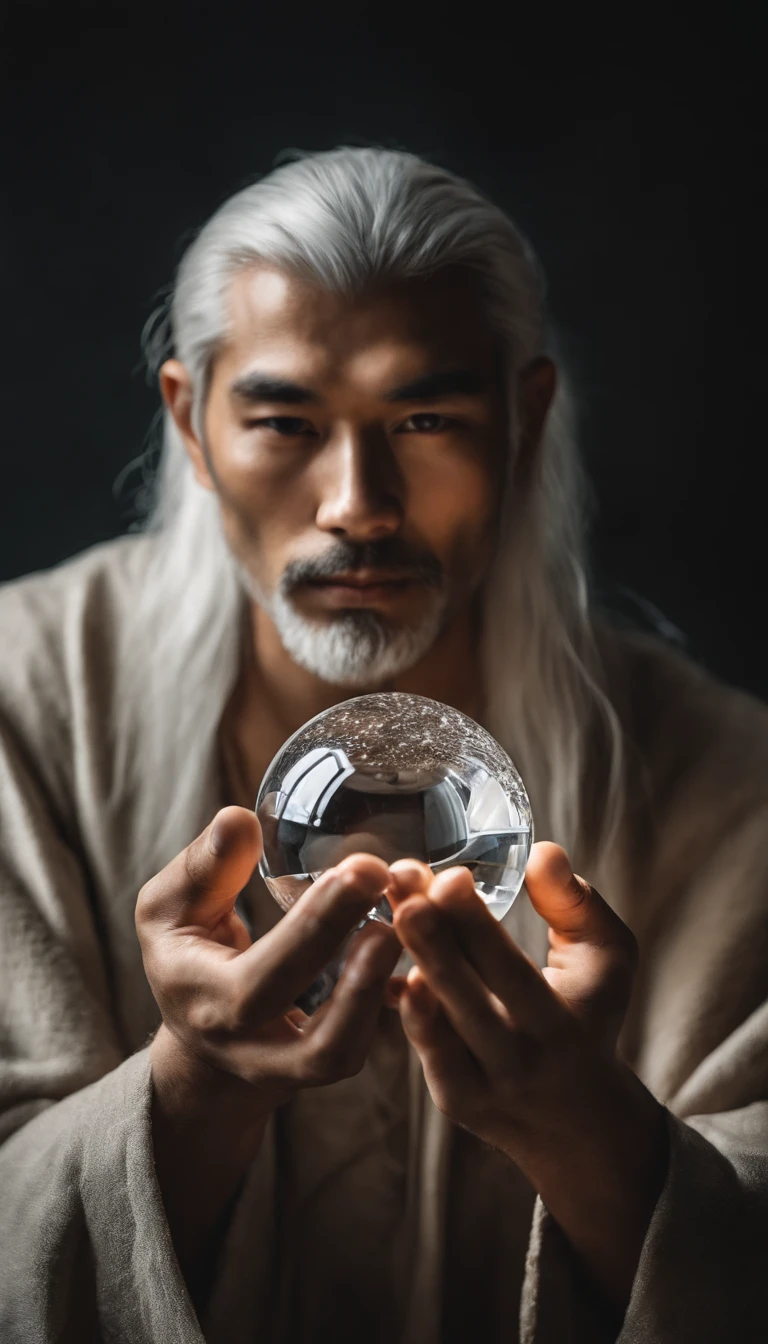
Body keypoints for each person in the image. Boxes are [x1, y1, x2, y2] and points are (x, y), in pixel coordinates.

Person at [0, 147, 765, 1344]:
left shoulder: (734, 789)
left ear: (525, 419)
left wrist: (591, 1134)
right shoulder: (19, 715)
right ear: (190, 424)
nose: (358, 501)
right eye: (285, 420)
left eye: (426, 417)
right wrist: (194, 1090)